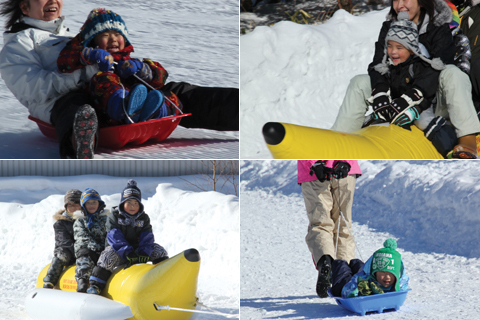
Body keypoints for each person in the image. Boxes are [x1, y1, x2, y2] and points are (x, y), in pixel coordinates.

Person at [0, 0, 238, 159]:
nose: (52, 1)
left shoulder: (71, 32)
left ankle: (242, 108)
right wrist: (86, 72)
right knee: (78, 109)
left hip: (109, 89)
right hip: (64, 101)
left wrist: (137, 70)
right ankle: (79, 143)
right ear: (24, 6)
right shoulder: (19, 44)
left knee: (177, 92)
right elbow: (34, 89)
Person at [331, 0, 480, 159]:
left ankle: (468, 138)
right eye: (396, 0)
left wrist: (414, 95)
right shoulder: (389, 27)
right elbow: (378, 63)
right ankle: (337, 141)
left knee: (452, 72)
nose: (400, 5)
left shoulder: (437, 27)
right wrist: (380, 90)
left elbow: (438, 66)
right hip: (400, 91)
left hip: (434, 100)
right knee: (359, 82)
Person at [57, 8, 180, 125]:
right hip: (108, 114)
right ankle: (124, 108)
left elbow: (162, 77)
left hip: (142, 111)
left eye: (117, 34)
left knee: (168, 95)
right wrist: (91, 54)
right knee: (103, 78)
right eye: (105, 35)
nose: (113, 39)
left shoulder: (130, 61)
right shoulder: (91, 62)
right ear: (93, 41)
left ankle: (156, 112)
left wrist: (141, 69)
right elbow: (64, 61)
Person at [87, 180, 168, 294]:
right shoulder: (114, 216)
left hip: (138, 251)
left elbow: (147, 236)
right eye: (129, 202)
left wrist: (144, 252)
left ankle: (166, 279)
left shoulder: (143, 218)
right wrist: (128, 252)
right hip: (119, 251)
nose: (132, 206)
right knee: (107, 256)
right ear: (122, 202)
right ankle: (96, 285)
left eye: (136, 203)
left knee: (160, 251)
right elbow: (114, 236)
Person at [297, 160, 362, 298]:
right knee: (343, 226)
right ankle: (345, 279)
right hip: (345, 170)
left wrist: (314, 162)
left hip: (314, 172)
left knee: (320, 224)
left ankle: (325, 261)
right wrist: (345, 161)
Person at [330, 238, 409, 298]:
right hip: (348, 284)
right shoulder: (364, 281)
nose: (387, 277)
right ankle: (339, 263)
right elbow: (347, 292)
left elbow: (403, 285)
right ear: (375, 273)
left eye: (391, 274)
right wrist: (359, 291)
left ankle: (356, 263)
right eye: (383, 273)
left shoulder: (399, 281)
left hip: (363, 274)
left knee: (360, 269)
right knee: (340, 279)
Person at [43, 189, 82, 289]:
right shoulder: (60, 223)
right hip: (68, 251)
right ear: (66, 207)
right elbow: (64, 242)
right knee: (62, 255)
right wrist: (77, 252)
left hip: (83, 251)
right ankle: (50, 281)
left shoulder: (86, 220)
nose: (73, 207)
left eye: (76, 204)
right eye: (70, 205)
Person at [73, 188, 109, 293]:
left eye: (94, 202)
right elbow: (82, 236)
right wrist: (95, 247)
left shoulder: (106, 219)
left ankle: (98, 284)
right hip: (86, 248)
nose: (91, 205)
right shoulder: (80, 220)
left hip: (101, 250)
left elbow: (109, 235)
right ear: (83, 205)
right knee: (85, 257)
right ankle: (82, 281)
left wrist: (105, 247)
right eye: (88, 203)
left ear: (99, 203)